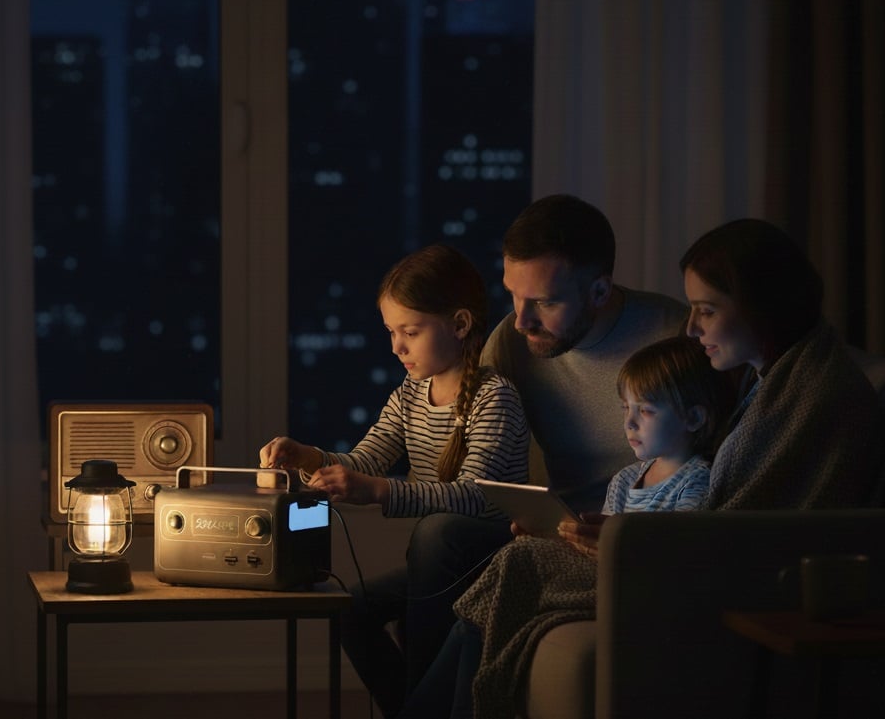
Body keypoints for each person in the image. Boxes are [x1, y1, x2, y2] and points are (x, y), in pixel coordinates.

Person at [398, 334, 737, 719]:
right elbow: (592, 548)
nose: (628, 422)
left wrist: (613, 538)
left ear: (693, 418)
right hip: (598, 572)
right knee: (482, 609)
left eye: (646, 411)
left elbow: (674, 546)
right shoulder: (626, 479)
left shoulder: (695, 481)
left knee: (510, 572)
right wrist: (558, 532)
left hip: (630, 583)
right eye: (626, 407)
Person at [258, 244, 529, 719]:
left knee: (439, 527)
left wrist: (377, 491)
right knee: (350, 609)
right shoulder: (410, 394)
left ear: (460, 325)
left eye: (411, 332)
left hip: (492, 553)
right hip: (438, 562)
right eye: (391, 332)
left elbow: (473, 496)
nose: (396, 347)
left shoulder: (494, 398)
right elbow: (367, 459)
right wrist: (307, 457)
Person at [566, 216, 884, 554]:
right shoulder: (761, 380)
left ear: (759, 306)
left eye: (707, 311)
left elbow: (752, 536)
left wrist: (636, 545)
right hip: (671, 555)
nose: (691, 329)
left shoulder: (816, 397)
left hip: (730, 579)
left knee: (524, 563)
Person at [482, 194, 688, 512]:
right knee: (441, 535)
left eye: (545, 302)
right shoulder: (510, 342)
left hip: (646, 529)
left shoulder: (676, 336)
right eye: (514, 295)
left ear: (599, 292)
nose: (522, 322)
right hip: (555, 523)